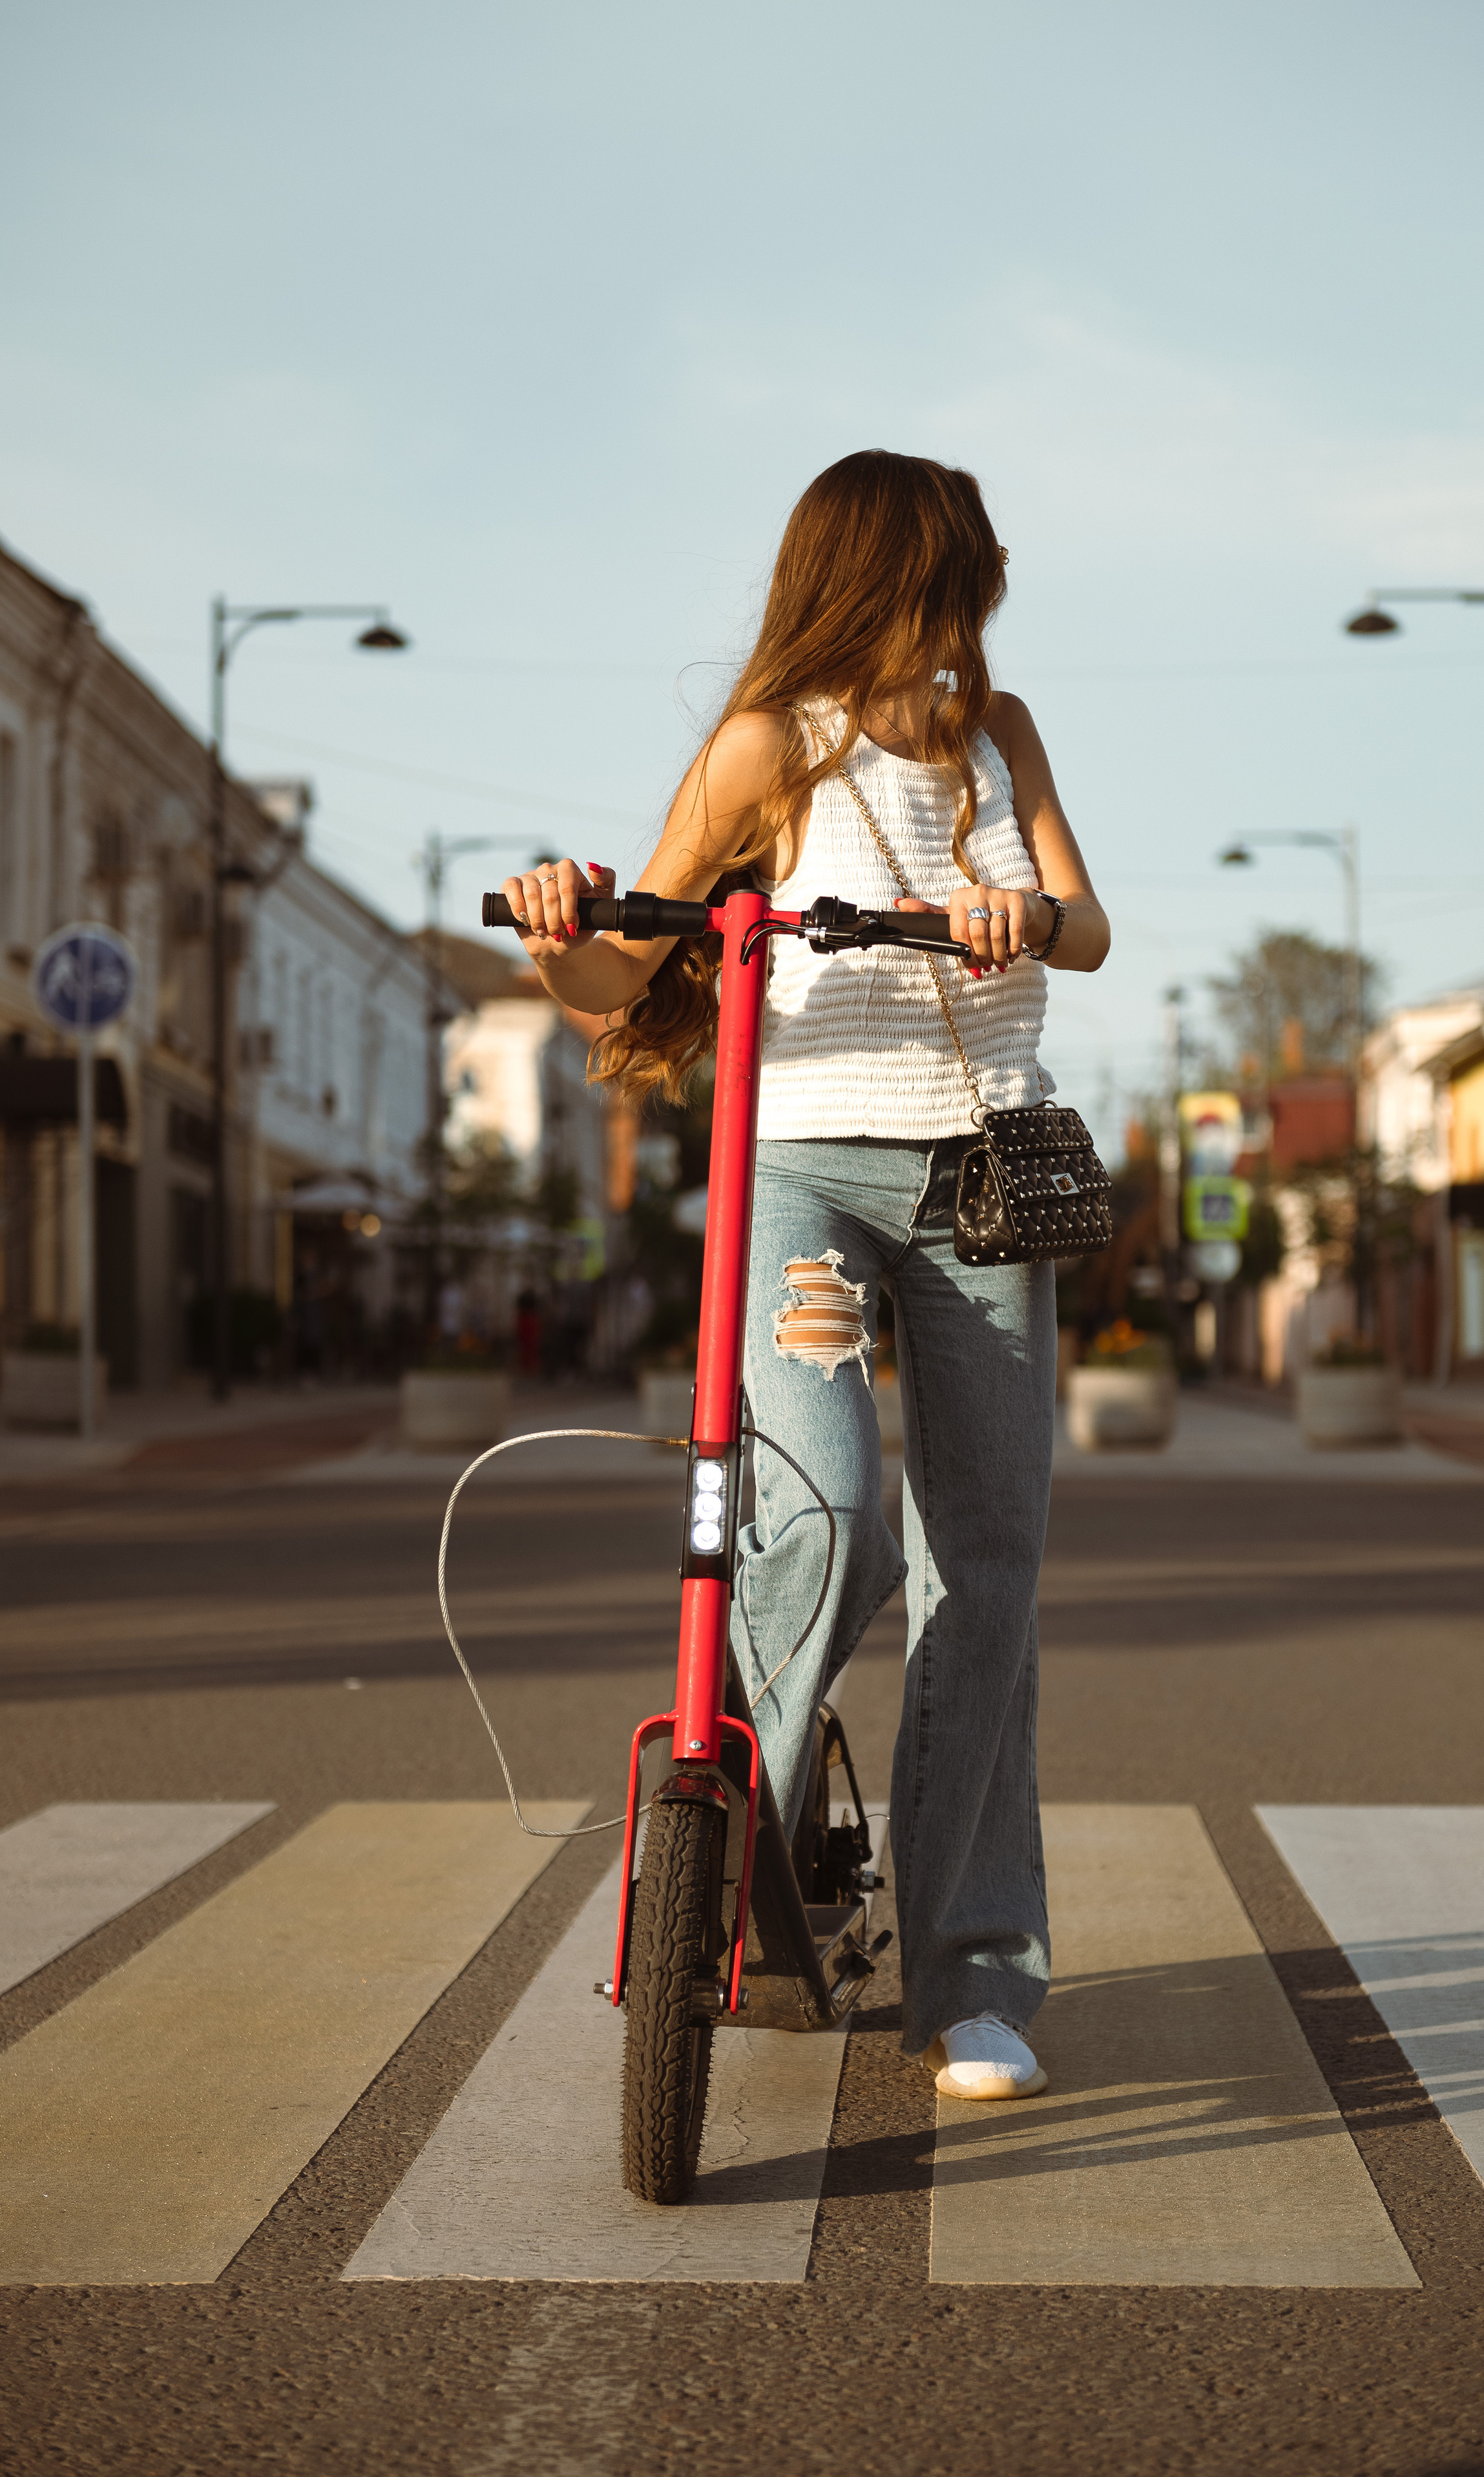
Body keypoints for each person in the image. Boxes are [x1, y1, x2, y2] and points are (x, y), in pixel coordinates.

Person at [502, 450, 1109, 2102]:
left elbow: (1088, 921)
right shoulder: (768, 746)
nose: (978, 601)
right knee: (825, 1514)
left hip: (981, 1182)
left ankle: (970, 1976)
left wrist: (1018, 916)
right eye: (960, 572)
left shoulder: (1001, 734)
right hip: (807, 1179)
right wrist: (559, 927)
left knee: (986, 1572)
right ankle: (723, 1880)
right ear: (890, 575)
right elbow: (620, 967)